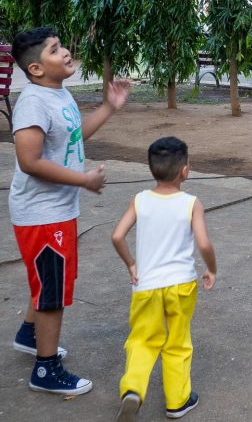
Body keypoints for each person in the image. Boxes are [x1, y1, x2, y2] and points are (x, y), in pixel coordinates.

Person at [9, 27, 130, 394]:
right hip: (42, 213)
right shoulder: (33, 103)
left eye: (60, 46)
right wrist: (84, 180)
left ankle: (30, 335)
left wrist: (109, 107)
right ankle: (45, 369)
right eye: (53, 50)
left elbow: (75, 135)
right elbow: (28, 161)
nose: (64, 53)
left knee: (51, 280)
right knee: (53, 292)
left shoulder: (57, 94)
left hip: (57, 210)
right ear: (35, 69)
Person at [112, 137, 216, 420]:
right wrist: (212, 268)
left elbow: (117, 235)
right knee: (177, 342)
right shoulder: (191, 203)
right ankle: (177, 401)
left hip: (146, 285)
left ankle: (133, 388)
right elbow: (204, 244)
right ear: (185, 170)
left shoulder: (140, 200)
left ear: (151, 169)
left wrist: (131, 264)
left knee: (142, 340)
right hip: (181, 285)